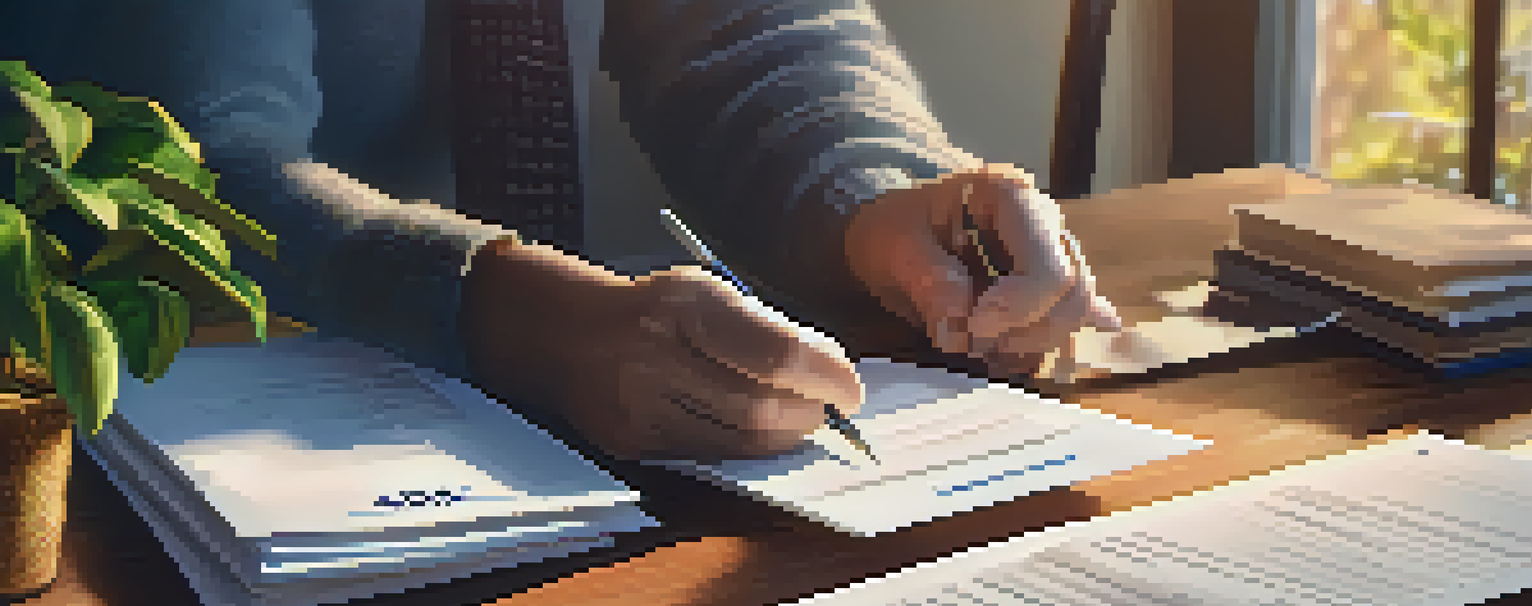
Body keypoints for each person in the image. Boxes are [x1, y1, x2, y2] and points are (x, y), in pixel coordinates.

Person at [2, 0, 1119, 462]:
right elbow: (188, 166)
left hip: (542, 460)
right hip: (164, 449)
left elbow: (750, 26)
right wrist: (499, 305)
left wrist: (882, 198)